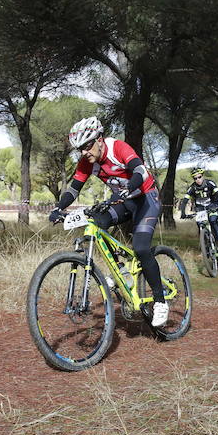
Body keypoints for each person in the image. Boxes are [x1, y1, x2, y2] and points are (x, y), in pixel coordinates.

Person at [48, 116, 168, 327]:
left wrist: (129, 188)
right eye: (80, 149)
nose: (84, 152)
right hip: (124, 200)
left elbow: (140, 171)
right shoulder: (87, 162)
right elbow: (74, 189)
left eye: (87, 146)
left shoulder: (117, 148)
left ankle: (160, 302)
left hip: (146, 198)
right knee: (96, 222)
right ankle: (122, 271)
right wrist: (59, 207)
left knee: (140, 248)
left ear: (100, 139)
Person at [179, 167, 218, 252]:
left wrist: (217, 204)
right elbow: (185, 201)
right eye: (195, 178)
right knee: (200, 224)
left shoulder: (209, 183)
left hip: (211, 205)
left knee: (213, 220)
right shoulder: (192, 188)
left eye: (199, 177)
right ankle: (205, 246)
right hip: (200, 208)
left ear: (203, 176)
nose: (198, 179)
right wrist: (183, 213)